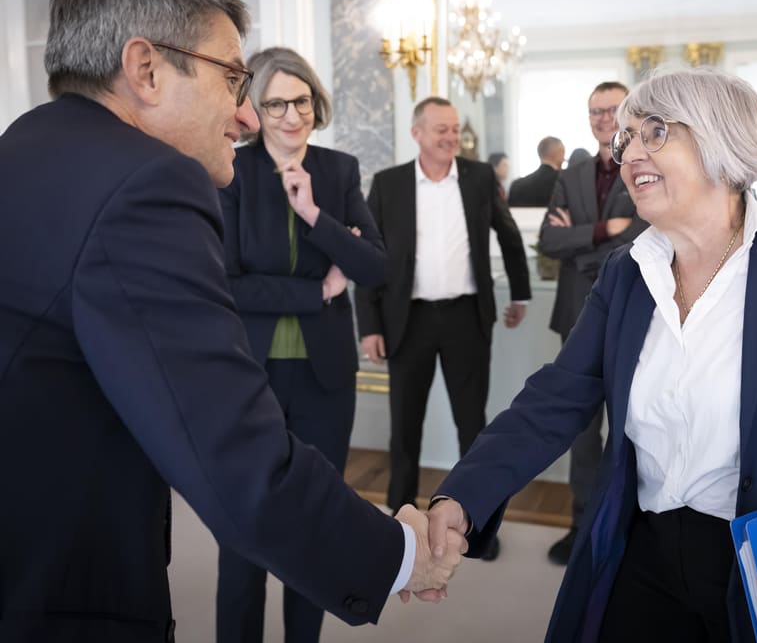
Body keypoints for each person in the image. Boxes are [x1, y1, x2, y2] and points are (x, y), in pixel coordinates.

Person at [0, 0, 464, 643]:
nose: (246, 115)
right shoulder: (148, 183)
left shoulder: (24, 144)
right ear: (146, 69)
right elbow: (235, 459)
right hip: (64, 588)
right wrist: (399, 555)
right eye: (233, 79)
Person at [427, 67, 757, 642]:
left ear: (722, 142)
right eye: (623, 139)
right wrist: (463, 494)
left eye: (653, 130)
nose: (628, 152)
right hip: (645, 549)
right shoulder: (627, 273)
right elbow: (556, 397)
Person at [216, 46, 385, 643]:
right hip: (250, 376)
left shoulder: (339, 173)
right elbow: (230, 284)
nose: (293, 114)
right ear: (255, 108)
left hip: (325, 380)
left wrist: (314, 213)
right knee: (245, 523)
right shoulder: (230, 170)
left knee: (312, 523)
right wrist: (316, 293)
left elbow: (373, 266)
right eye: (277, 103)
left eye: (303, 100)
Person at [354, 97, 531, 562]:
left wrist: (521, 294)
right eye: (441, 130)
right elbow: (369, 257)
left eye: (455, 130)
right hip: (406, 322)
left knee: (473, 427)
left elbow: (509, 235)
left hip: (466, 319)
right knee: (404, 428)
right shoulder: (389, 184)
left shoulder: (478, 178)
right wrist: (369, 324)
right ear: (417, 134)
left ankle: (479, 530)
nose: (451, 137)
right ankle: (399, 524)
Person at [539, 81, 647, 566]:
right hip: (576, 315)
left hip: (634, 313)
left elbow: (649, 234)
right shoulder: (573, 173)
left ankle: (625, 529)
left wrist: (581, 246)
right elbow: (548, 239)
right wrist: (607, 231)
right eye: (595, 111)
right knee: (581, 428)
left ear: (630, 113)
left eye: (612, 109)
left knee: (631, 427)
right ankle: (579, 527)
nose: (604, 118)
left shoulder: (648, 163)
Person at [507, 136, 565, 206]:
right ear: (559, 154)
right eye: (563, 153)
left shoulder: (517, 185)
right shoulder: (564, 182)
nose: (564, 159)